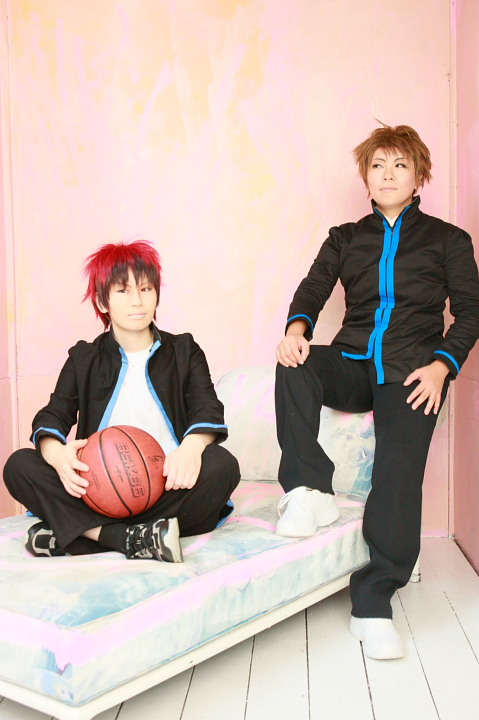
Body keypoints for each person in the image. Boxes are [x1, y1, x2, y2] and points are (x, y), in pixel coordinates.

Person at [275, 124, 479, 659]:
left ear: (418, 176)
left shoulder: (448, 240)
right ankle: (309, 491)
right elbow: (313, 288)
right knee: (294, 363)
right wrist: (296, 330)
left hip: (412, 372)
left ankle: (373, 601)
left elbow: (470, 312)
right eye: (378, 165)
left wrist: (441, 366)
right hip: (351, 362)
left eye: (400, 165)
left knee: (397, 474)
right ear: (365, 176)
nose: (388, 174)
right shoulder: (344, 237)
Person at [3, 240, 240, 563]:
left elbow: (207, 407)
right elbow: (52, 415)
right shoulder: (84, 357)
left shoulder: (184, 350)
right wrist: (56, 454)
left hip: (168, 485)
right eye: (123, 291)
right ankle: (127, 537)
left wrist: (191, 448)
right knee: (19, 465)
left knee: (222, 465)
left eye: (145, 289)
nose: (137, 301)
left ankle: (83, 533)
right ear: (103, 301)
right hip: (97, 489)